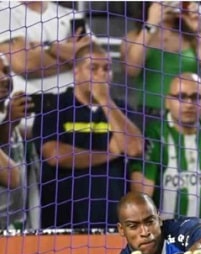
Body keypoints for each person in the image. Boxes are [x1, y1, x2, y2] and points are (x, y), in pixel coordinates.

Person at [32, 43, 144, 229]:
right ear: (76, 72)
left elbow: (134, 148)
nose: (101, 74)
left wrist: (105, 101)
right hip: (62, 215)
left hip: (112, 215)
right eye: (93, 68)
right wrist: (109, 154)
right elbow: (55, 155)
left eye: (107, 69)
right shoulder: (53, 106)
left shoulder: (121, 109)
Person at [130, 73, 201, 230]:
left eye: (196, 97)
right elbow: (142, 197)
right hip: (161, 234)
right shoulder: (155, 134)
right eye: (181, 97)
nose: (189, 104)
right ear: (168, 102)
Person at [121, 1, 201, 125]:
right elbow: (131, 70)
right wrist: (151, 24)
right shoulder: (135, 37)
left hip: (188, 116)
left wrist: (199, 31)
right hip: (149, 116)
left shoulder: (191, 37)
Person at [0, 1, 93, 95]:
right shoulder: (4, 11)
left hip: (76, 102)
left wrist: (49, 49)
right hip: (30, 103)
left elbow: (95, 59)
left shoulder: (72, 15)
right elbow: (25, 64)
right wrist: (75, 57)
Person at [0, 53, 34, 229]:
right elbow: (12, 176)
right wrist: (9, 122)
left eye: (6, 71)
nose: (3, 78)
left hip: (15, 226)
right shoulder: (8, 120)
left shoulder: (8, 118)